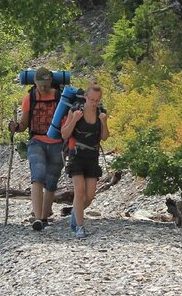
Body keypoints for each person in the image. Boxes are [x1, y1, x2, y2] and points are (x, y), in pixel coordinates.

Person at [8, 67, 64, 231]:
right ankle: (38, 218)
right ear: (35, 83)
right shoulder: (30, 98)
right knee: (37, 175)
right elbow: (24, 124)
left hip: (57, 142)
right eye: (40, 84)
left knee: (52, 181)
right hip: (36, 141)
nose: (43, 87)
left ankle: (44, 216)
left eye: (46, 84)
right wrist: (16, 127)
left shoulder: (60, 97)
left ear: (51, 82)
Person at [60, 84, 109, 239]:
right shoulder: (76, 110)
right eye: (92, 99)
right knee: (79, 191)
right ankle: (79, 228)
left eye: (97, 100)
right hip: (77, 155)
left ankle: (75, 214)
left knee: (89, 195)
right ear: (86, 97)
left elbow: (104, 137)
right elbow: (64, 134)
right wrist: (74, 120)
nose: (94, 103)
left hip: (92, 157)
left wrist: (104, 122)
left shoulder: (101, 113)